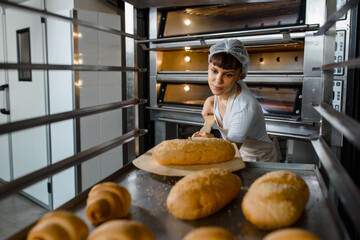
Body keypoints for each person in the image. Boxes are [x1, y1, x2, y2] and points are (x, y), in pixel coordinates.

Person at [192, 39, 279, 162]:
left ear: (239, 76)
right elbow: (221, 98)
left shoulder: (245, 107)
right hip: (235, 154)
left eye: (228, 74)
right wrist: (209, 100)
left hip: (258, 160)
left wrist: (210, 141)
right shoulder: (224, 90)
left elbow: (228, 151)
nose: (218, 80)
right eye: (214, 71)